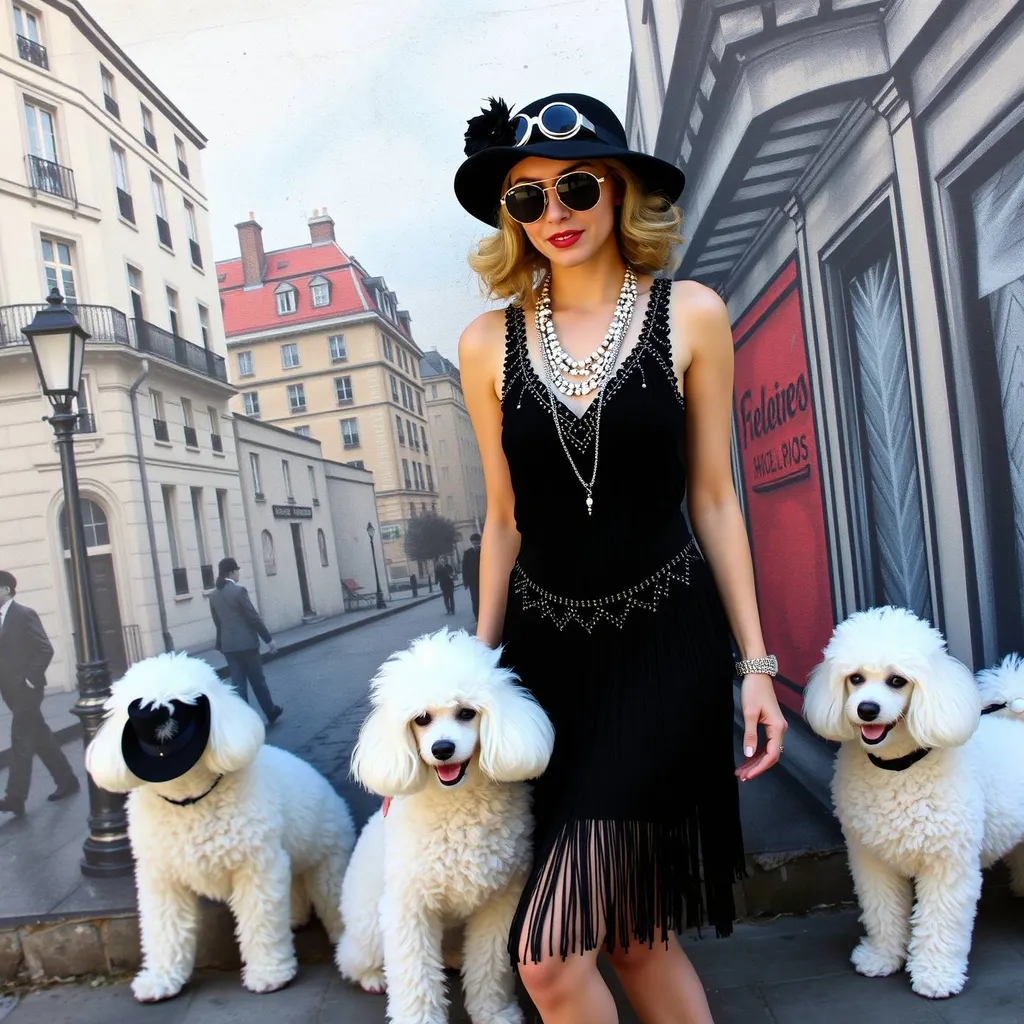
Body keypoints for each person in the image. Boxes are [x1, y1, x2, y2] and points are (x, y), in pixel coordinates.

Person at [454, 93, 787, 1023]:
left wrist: (755, 666)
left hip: (661, 650)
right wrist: (479, 676)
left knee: (551, 963)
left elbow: (716, 501)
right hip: (546, 660)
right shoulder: (486, 344)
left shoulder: (693, 314)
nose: (554, 214)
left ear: (621, 190)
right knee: (636, 937)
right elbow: (503, 520)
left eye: (575, 187)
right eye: (526, 199)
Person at [0, 571, 79, 817]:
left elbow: (45, 648)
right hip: (10, 691)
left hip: (27, 689)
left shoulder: (24, 614)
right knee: (40, 735)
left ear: (5, 589)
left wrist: (30, 678)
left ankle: (15, 798)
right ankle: (67, 780)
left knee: (21, 739)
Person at [208, 557, 283, 725]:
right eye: (237, 570)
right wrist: (268, 640)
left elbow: (217, 622)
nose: (238, 574)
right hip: (247, 644)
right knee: (258, 681)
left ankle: (243, 720)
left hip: (229, 646)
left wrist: (221, 644)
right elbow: (253, 618)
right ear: (232, 572)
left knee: (238, 683)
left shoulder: (213, 595)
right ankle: (270, 711)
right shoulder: (239, 591)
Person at [461, 533, 482, 622]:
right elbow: (464, 567)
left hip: (483, 579)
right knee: (475, 598)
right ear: (472, 543)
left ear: (480, 542)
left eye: (477, 542)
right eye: (474, 542)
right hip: (472, 580)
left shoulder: (484, 550)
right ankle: (477, 616)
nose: (476, 544)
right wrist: (465, 581)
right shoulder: (467, 552)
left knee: (483, 598)